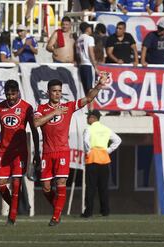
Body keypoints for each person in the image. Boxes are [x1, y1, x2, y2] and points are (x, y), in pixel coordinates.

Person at [33, 73, 108, 226]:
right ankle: (58, 209)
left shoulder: (68, 106)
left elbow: (87, 99)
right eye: (54, 91)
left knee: (61, 182)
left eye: (59, 91)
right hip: (47, 153)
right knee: (46, 188)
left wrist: (99, 86)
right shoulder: (41, 108)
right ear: (48, 92)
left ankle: (55, 217)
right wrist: (54, 112)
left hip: (62, 151)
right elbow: (36, 123)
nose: (57, 94)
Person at [0, 80, 40, 225]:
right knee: (0, 184)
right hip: (4, 152)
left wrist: (37, 151)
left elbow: (34, 130)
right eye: (8, 94)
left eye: (13, 94)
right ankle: (14, 207)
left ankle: (12, 217)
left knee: (16, 184)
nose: (10, 97)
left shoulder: (26, 107)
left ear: (18, 92)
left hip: (20, 152)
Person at [81, 109, 122, 218]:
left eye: (88, 117)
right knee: (103, 187)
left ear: (93, 118)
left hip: (92, 160)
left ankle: (88, 212)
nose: (87, 119)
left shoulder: (88, 128)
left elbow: (85, 141)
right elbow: (118, 140)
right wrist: (107, 150)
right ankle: (105, 211)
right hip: (104, 160)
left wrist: (89, 152)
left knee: (90, 187)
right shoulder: (106, 129)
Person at [77, 22, 99, 95]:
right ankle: (91, 106)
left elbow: (77, 54)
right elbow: (91, 52)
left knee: (85, 88)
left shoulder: (79, 39)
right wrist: (95, 67)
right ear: (87, 29)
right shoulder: (90, 38)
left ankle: (87, 106)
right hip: (88, 64)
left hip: (82, 65)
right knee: (90, 88)